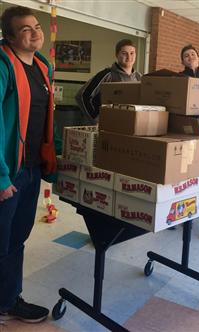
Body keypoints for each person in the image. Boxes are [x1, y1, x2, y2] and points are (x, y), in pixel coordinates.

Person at [0, 6, 58, 323]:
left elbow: (44, 119)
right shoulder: (3, 66)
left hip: (31, 168)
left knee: (16, 238)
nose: (35, 32)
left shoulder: (41, 68)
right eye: (25, 29)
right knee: (1, 241)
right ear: (9, 36)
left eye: (37, 26)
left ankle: (9, 298)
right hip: (8, 172)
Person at [76, 38, 142, 121]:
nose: (129, 57)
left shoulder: (139, 77)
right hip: (108, 126)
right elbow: (82, 95)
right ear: (117, 55)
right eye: (124, 53)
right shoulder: (107, 75)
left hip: (130, 126)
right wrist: (96, 119)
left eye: (132, 53)